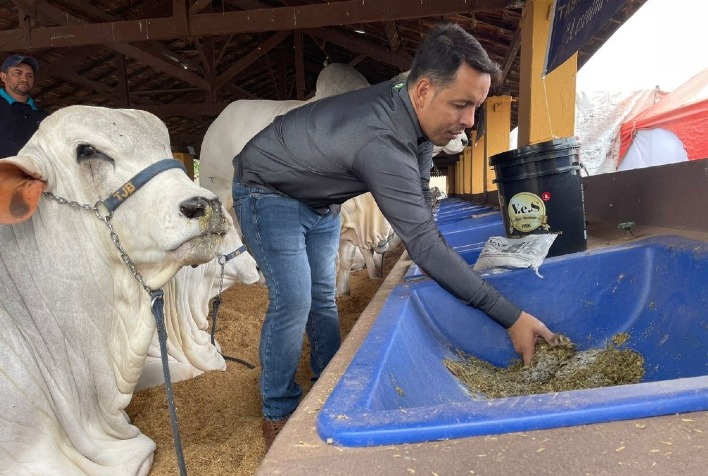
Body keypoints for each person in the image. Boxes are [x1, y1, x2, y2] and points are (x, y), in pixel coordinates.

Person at [232, 23, 559, 449]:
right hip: (267, 189)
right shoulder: (382, 139)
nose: (468, 122)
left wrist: (441, 246)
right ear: (422, 91)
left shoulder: (415, 118)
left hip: (321, 199)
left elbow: (421, 206)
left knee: (323, 296)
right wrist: (511, 317)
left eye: (476, 107)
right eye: (461, 105)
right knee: (295, 299)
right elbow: (422, 243)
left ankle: (330, 383)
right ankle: (278, 410)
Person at [0, 53, 48, 158]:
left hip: (35, 173)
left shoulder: (42, 116)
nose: (24, 79)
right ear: (3, 77)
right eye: (18, 73)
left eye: (29, 75)